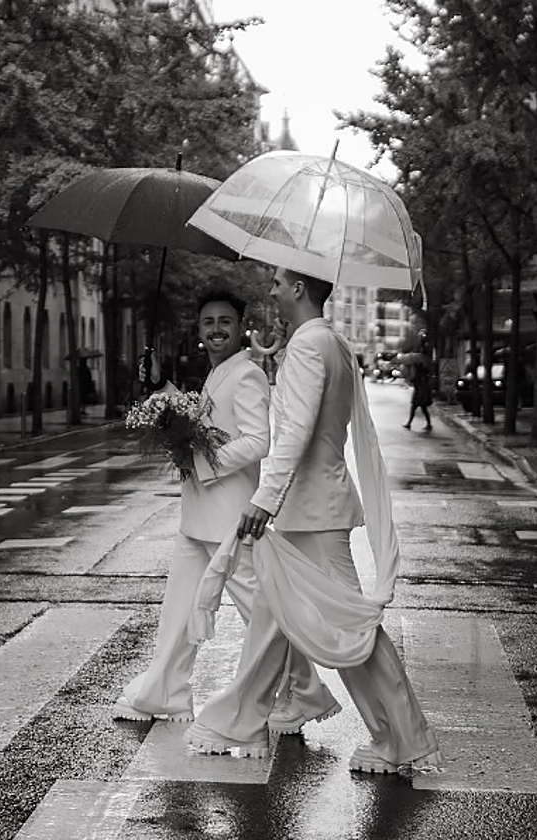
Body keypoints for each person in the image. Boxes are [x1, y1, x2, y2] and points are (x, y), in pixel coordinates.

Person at [185, 267, 440, 773]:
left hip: (312, 510)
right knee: (273, 619)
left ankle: (400, 738)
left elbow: (295, 435)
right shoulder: (329, 342)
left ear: (299, 289)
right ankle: (242, 719)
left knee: (351, 630)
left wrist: (264, 498)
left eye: (279, 282)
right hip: (314, 507)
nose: (273, 291)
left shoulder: (308, 347)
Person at [114, 287, 341, 732]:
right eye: (207, 323)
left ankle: (303, 693)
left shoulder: (248, 375)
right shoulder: (217, 373)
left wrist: (203, 461)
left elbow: (260, 442)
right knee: (178, 609)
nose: (216, 330)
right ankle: (167, 694)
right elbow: (203, 424)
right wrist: (161, 387)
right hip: (197, 515)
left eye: (224, 322)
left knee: (261, 610)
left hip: (230, 517)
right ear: (199, 331)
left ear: (241, 328)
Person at [403, 358, 433, 431]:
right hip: (422, 393)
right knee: (423, 409)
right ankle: (428, 424)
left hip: (420, 393)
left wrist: (410, 374)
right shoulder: (422, 372)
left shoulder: (419, 373)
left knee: (414, 408)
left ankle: (409, 423)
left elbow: (413, 380)